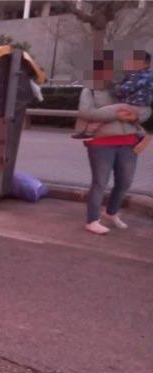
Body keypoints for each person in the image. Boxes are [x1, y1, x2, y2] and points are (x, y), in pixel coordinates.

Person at [78, 50, 151, 235]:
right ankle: (92, 220)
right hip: (102, 142)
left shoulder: (125, 88)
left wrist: (135, 116)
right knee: (100, 182)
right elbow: (86, 113)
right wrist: (117, 114)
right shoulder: (90, 89)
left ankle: (111, 212)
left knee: (125, 181)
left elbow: (142, 113)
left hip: (129, 142)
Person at [72, 50, 152, 139]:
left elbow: (126, 89)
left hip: (130, 119)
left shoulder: (138, 76)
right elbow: (86, 112)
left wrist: (116, 89)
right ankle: (88, 131)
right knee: (111, 112)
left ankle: (88, 131)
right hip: (106, 136)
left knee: (109, 111)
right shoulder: (89, 90)